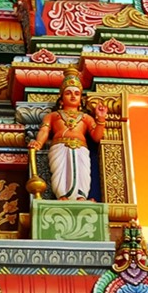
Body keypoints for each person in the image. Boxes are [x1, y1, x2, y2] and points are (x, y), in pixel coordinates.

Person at [28, 68, 107, 200]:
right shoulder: (53, 116)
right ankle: (62, 195)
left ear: (80, 99)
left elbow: (97, 137)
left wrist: (101, 119)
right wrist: (39, 143)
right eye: (68, 93)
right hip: (59, 148)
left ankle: (81, 197)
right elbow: (44, 130)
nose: (73, 96)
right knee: (60, 172)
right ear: (61, 99)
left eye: (77, 93)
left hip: (81, 149)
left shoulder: (86, 118)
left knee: (82, 172)